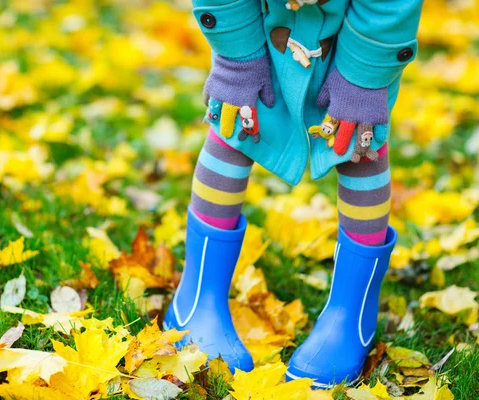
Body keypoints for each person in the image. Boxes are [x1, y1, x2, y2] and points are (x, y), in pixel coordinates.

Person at [163, 0, 424, 388]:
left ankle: (350, 317)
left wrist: (365, 73)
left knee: (360, 144)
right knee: (236, 123)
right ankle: (196, 300)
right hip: (259, 30)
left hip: (359, 38)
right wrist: (238, 58)